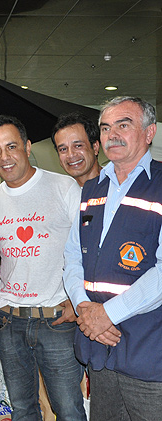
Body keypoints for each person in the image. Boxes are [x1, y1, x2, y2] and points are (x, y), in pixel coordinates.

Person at [64, 96, 162, 420]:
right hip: (98, 350)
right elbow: (72, 257)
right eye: (106, 127)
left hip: (148, 353)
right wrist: (84, 308)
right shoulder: (92, 188)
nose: (112, 134)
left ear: (149, 132)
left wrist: (106, 314)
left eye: (124, 124)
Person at [0, 115, 86, 421]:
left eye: (11, 146)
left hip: (56, 321)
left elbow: (87, 248)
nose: (5, 157)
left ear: (27, 147)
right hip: (8, 322)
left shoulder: (63, 187)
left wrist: (78, 300)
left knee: (69, 410)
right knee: (23, 410)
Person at [51, 112, 102, 187]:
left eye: (78, 146)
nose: (71, 155)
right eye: (63, 149)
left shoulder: (118, 184)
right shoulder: (59, 194)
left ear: (95, 147)